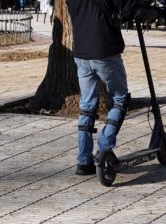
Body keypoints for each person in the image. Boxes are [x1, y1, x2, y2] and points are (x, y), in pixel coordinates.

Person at [66, 0, 158, 175]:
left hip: (81, 52)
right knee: (120, 99)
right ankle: (104, 148)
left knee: (87, 106)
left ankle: (84, 160)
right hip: (105, 50)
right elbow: (129, 8)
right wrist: (153, 13)